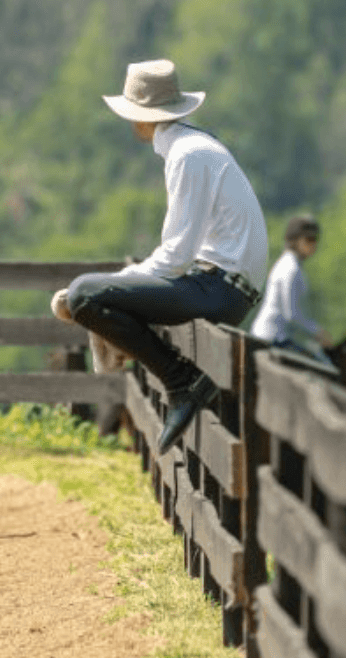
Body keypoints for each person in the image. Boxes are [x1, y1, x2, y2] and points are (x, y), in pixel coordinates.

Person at [61, 59, 269, 454]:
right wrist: (128, 280)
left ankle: (181, 382)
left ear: (140, 118)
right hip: (225, 285)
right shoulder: (195, 146)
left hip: (218, 287)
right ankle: (182, 383)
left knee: (83, 295)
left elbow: (176, 255)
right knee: (93, 291)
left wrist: (121, 281)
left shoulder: (187, 156)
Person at [250, 214, 333, 365]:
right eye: (309, 240)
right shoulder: (291, 269)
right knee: (324, 365)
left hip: (277, 337)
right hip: (274, 339)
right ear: (295, 240)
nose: (313, 245)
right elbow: (292, 315)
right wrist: (318, 333)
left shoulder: (289, 265)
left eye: (315, 240)